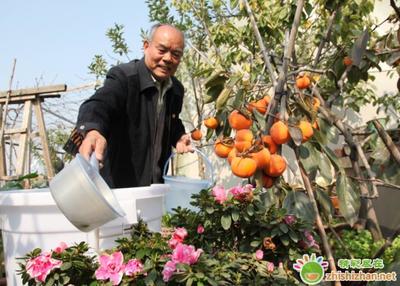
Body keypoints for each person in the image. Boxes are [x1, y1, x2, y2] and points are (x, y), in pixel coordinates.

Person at [64, 23, 193, 188]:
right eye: (161, 50)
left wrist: (179, 136)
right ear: (146, 46)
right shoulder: (124, 78)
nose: (168, 58)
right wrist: (92, 130)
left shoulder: (176, 90)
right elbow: (99, 104)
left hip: (154, 187)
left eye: (176, 54)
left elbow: (171, 121)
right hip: (118, 187)